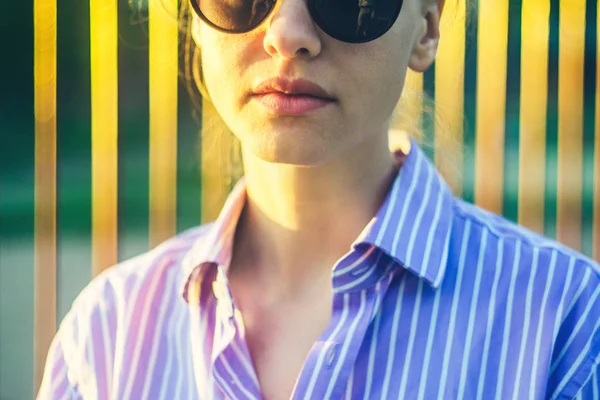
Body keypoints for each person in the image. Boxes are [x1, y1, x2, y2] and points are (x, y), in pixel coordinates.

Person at [38, 0, 600, 398]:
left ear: (426, 27)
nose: (288, 33)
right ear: (195, 24)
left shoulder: (565, 319)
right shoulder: (106, 333)